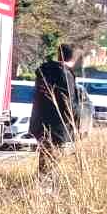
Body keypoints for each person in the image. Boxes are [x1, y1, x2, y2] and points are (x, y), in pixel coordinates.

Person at [30, 43, 78, 176]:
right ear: (73, 59)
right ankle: (48, 188)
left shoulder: (44, 71)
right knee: (53, 162)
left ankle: (42, 185)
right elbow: (68, 104)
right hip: (57, 128)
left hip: (40, 124)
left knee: (44, 158)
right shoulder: (65, 74)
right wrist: (76, 118)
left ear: (58, 54)